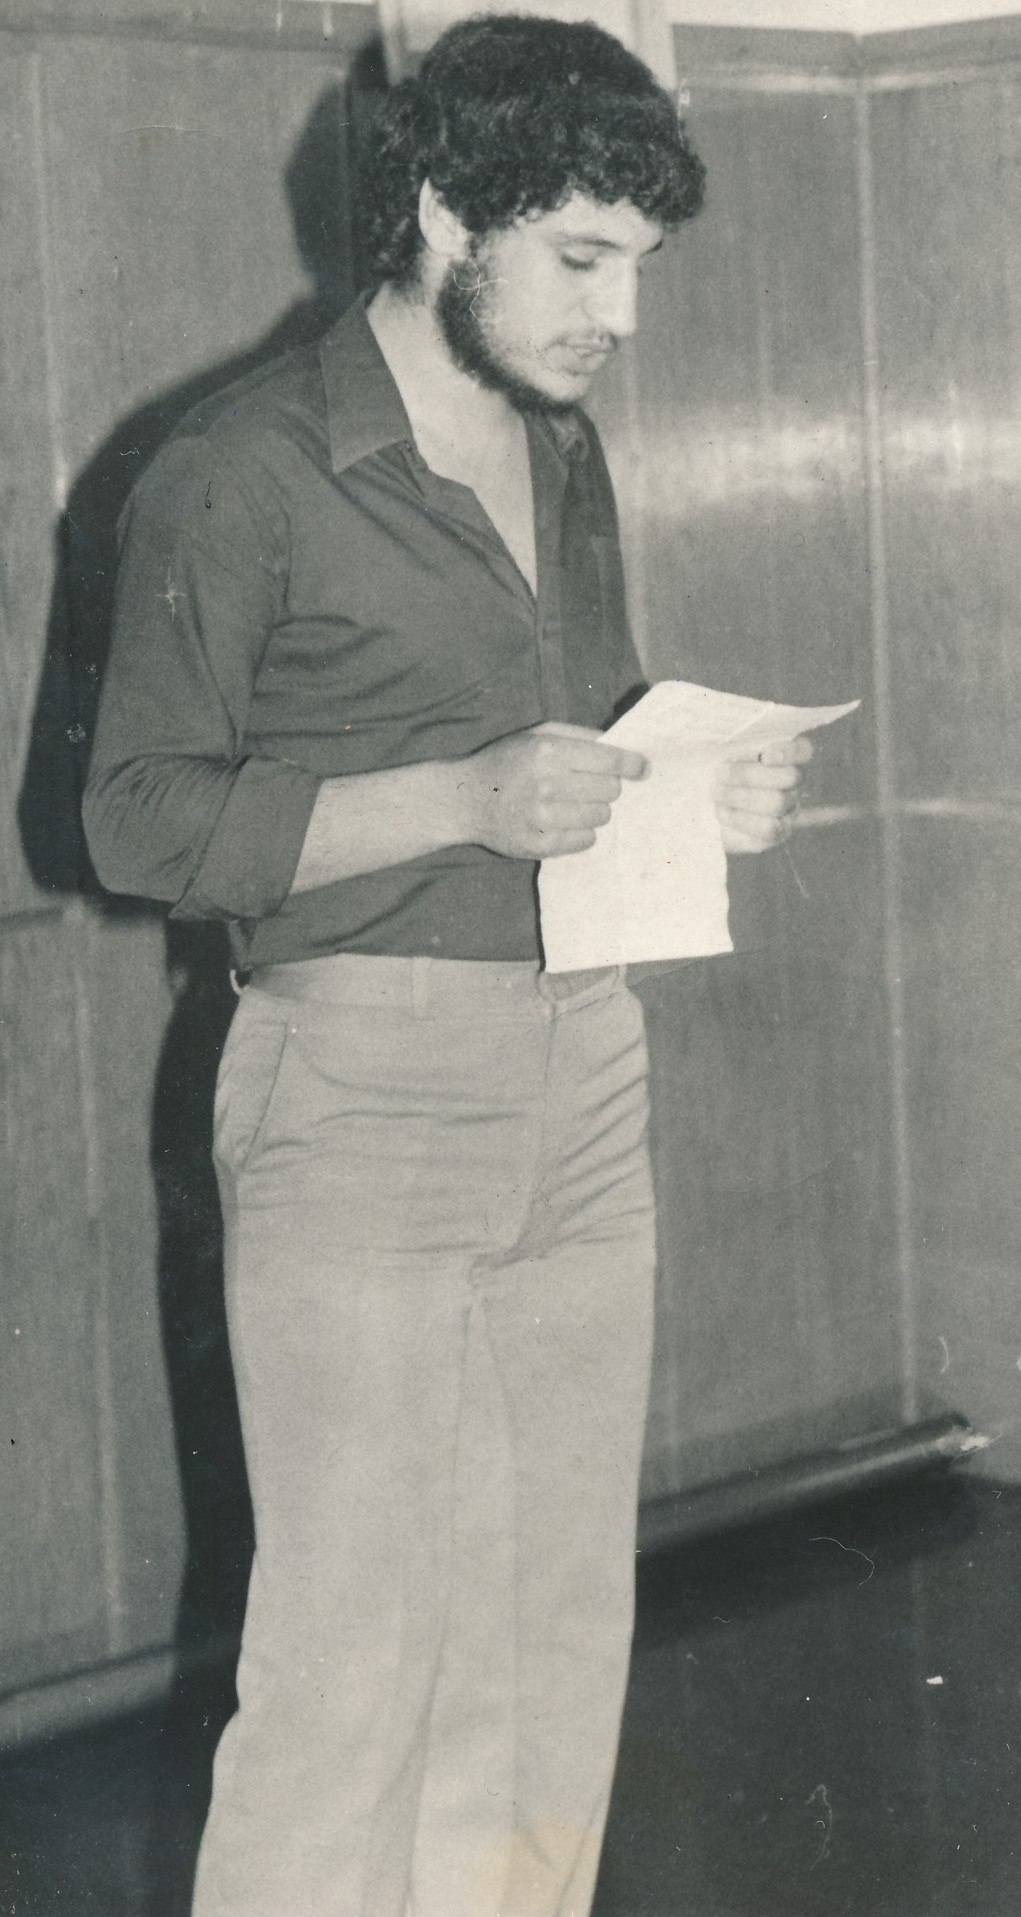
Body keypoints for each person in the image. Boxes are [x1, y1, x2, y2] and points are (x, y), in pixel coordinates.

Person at [83, 16, 810, 1916]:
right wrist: (462, 798)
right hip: (360, 1092)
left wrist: (689, 787)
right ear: (436, 216)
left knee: (547, 1635)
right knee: (349, 1662)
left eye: (638, 266)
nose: (618, 314)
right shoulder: (240, 468)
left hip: (583, 1067)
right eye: (579, 259)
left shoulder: (562, 446)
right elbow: (135, 821)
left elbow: (577, 744)